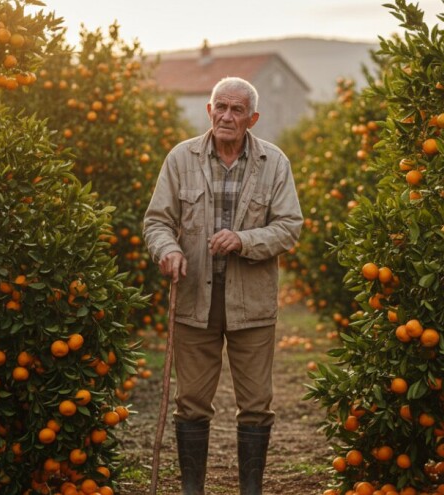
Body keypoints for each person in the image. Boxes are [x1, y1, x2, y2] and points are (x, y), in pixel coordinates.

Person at [143, 76, 302, 495]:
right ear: (209, 110)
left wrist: (244, 240)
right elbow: (157, 221)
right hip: (195, 298)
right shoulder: (181, 159)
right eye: (221, 107)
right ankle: (191, 489)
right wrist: (168, 250)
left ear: (253, 118)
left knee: (256, 405)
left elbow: (290, 226)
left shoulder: (274, 163)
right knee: (191, 402)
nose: (227, 116)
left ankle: (250, 490)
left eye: (237, 110)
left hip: (252, 303)